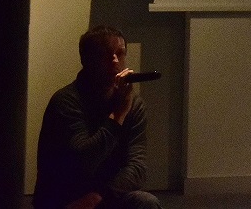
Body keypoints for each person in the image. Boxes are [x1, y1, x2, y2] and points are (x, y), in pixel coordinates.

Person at [33, 25, 158, 209]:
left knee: (146, 203)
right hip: (64, 196)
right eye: (105, 54)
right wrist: (117, 116)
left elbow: (137, 169)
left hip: (104, 194)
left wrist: (99, 195)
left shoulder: (133, 104)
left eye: (120, 53)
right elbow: (83, 161)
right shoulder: (66, 101)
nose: (115, 60)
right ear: (86, 60)